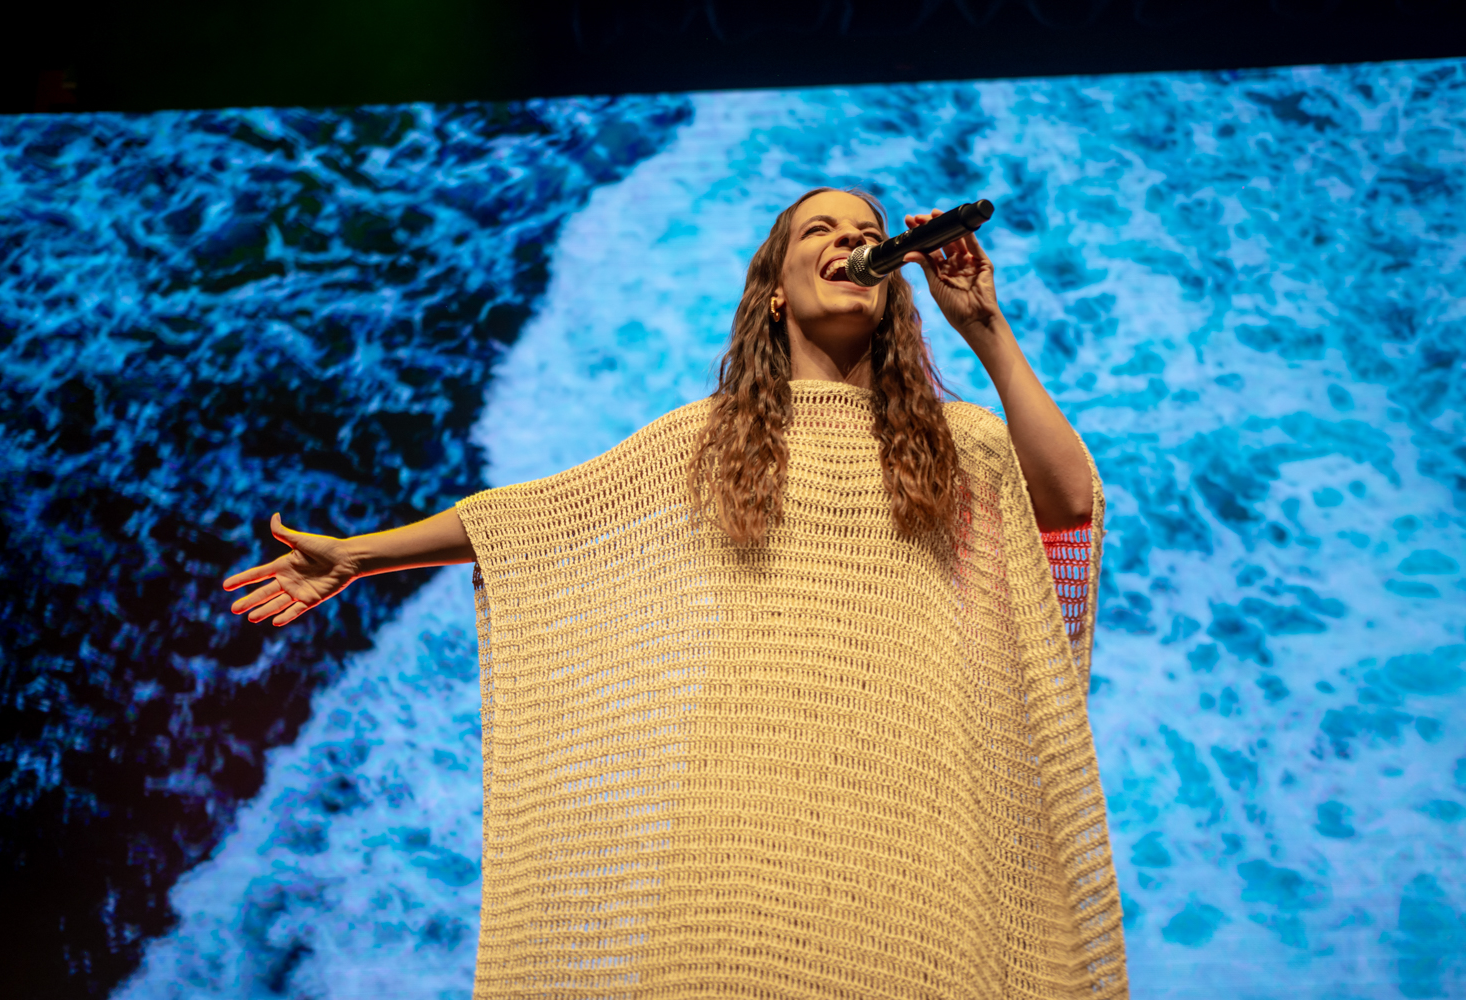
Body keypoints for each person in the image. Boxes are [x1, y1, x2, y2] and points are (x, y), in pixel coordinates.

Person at [225, 188, 1126, 999]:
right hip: (740, 824)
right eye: (823, 230)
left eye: (868, 233)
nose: (854, 241)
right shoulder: (712, 439)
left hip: (916, 816)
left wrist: (984, 326)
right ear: (775, 288)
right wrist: (360, 556)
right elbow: (536, 520)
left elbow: (1065, 500)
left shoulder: (957, 439)